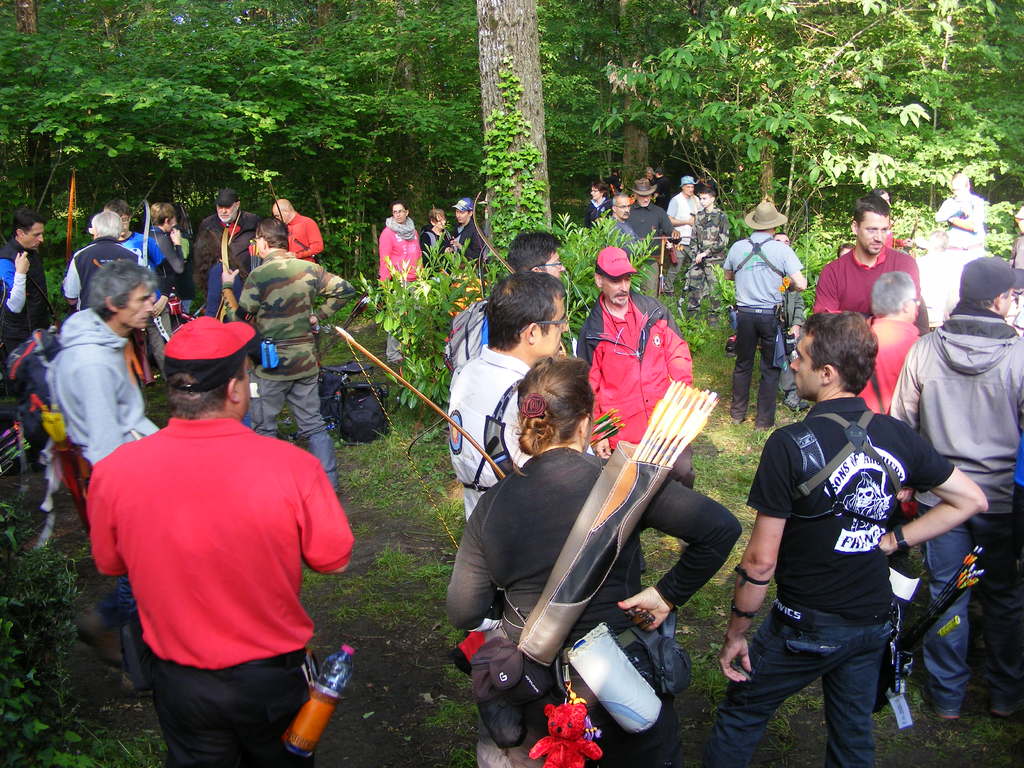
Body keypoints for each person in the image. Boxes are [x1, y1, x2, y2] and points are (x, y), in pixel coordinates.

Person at [703, 312, 987, 768]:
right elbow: (970, 498)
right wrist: (893, 540)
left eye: (801, 356)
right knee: (853, 733)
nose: (793, 363)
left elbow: (759, 563)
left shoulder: (789, 444)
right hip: (872, 620)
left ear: (827, 373)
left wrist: (737, 633)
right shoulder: (896, 434)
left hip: (805, 625)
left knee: (743, 712)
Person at [87, 316, 354, 767]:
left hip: (180, 684)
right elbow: (334, 559)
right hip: (269, 681)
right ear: (234, 390)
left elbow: (110, 563)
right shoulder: (293, 466)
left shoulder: (114, 471)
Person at [448, 356, 740, 768]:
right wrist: (666, 594)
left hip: (534, 691)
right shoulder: (625, 485)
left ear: (524, 425)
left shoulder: (492, 504)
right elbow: (721, 529)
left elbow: (464, 611)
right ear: (584, 423)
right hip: (620, 681)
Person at [891, 256, 1024, 719]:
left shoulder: (924, 350)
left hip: (940, 496)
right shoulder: (1020, 354)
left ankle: (947, 696)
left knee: (948, 594)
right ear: (1000, 299)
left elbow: (900, 425)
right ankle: (1006, 694)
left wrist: (910, 482)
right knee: (1004, 595)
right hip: (1001, 500)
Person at [50, 260, 160, 662]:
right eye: (142, 299)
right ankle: (133, 651)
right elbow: (105, 445)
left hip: (131, 462)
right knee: (141, 567)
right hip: (120, 477)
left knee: (145, 565)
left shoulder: (104, 338)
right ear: (114, 304)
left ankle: (115, 629)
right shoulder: (92, 363)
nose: (151, 305)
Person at [223, 217, 353, 486]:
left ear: (263, 242)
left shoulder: (259, 276)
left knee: (264, 428)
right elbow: (345, 290)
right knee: (313, 425)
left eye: (256, 241)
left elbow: (240, 319)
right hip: (305, 361)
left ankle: (271, 487)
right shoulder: (309, 269)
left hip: (270, 366)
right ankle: (329, 485)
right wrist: (318, 315)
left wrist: (226, 287)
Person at [448, 271, 566, 518]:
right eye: (559, 322)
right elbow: (558, 475)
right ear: (532, 333)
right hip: (521, 523)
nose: (564, 328)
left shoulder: (466, 372)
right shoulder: (527, 395)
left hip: (478, 516)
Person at [578, 247, 692, 460]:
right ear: (599, 280)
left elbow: (678, 353)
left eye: (627, 279)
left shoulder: (655, 312)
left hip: (664, 425)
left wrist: (682, 395)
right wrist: (599, 432)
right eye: (615, 280)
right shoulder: (593, 332)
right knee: (630, 480)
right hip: (622, 434)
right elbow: (587, 388)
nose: (623, 287)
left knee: (682, 473)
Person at [723, 201, 807, 430]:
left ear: (754, 224)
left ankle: (737, 414)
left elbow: (728, 275)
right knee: (770, 367)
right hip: (770, 315)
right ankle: (763, 421)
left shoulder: (737, 247)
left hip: (744, 314)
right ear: (774, 226)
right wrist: (786, 284)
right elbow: (801, 284)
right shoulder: (782, 250)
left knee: (743, 364)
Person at [814, 194, 928, 334]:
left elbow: (909, 317)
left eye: (884, 230)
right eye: (872, 230)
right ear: (855, 228)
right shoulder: (833, 272)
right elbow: (824, 325)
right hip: (847, 348)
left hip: (898, 346)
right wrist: (877, 321)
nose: (879, 238)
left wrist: (851, 321)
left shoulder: (904, 264)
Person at [194, 188, 261, 317]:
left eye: (228, 207)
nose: (223, 211)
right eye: (220, 207)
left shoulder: (252, 221)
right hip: (216, 280)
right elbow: (200, 254)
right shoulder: (208, 224)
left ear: (237, 204)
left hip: (246, 283)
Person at [859, 271, 919, 414]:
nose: (918, 306)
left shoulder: (854, 339)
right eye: (915, 301)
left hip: (859, 423)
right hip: (898, 424)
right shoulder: (918, 348)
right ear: (906, 306)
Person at [0, 207, 50, 358]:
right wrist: (21, 273)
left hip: (38, 331)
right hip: (17, 339)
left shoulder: (31, 251)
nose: (41, 239)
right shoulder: (5, 260)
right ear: (20, 233)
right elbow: (13, 306)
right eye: (36, 235)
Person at [62, 210, 136, 311]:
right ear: (119, 230)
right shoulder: (133, 256)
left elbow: (71, 298)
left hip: (89, 317)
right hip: (124, 317)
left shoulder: (80, 256)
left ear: (95, 230)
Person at [379, 200, 422, 363]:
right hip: (399, 281)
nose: (397, 215)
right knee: (397, 318)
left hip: (415, 280)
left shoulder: (413, 231)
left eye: (400, 211)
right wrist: (385, 283)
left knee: (416, 316)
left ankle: (411, 349)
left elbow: (418, 254)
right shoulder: (388, 233)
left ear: (407, 212)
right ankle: (393, 354)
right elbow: (384, 259)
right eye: (394, 212)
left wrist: (421, 275)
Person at [678, 182, 729, 315]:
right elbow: (693, 238)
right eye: (700, 198)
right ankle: (692, 316)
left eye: (705, 198)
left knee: (715, 290)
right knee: (694, 287)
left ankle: (715, 317)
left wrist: (706, 253)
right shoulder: (699, 216)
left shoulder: (721, 217)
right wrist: (696, 254)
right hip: (698, 260)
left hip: (715, 260)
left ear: (712, 199)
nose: (702, 201)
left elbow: (723, 241)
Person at [772, 232, 807, 412]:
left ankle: (804, 387)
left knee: (803, 343)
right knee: (782, 349)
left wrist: (797, 324)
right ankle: (790, 392)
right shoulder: (767, 270)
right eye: (778, 241)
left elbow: (799, 303)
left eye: (786, 242)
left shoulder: (792, 274)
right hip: (770, 324)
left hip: (790, 325)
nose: (783, 245)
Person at [627, 179, 675, 295]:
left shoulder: (659, 212)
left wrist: (675, 233)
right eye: (642, 195)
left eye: (648, 195)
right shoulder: (627, 211)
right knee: (628, 294)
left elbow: (670, 231)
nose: (646, 198)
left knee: (650, 294)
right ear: (635, 195)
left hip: (651, 260)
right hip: (629, 260)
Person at [935, 172, 986, 258]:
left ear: (967, 187)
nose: (956, 192)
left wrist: (953, 220)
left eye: (958, 189)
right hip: (953, 250)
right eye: (954, 190)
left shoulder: (977, 202)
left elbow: (975, 227)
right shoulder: (950, 202)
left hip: (973, 250)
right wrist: (958, 209)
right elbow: (938, 218)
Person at [450, 197, 487, 263]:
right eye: (457, 211)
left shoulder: (476, 231)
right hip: (454, 265)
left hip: (469, 267)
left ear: (470, 213)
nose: (458, 215)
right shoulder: (456, 227)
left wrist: (461, 247)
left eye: (462, 212)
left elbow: (478, 256)